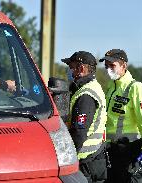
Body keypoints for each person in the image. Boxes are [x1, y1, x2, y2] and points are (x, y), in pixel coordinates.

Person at [99, 49, 142, 183]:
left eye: (112, 66)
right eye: (106, 66)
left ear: (123, 66)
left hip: (130, 152)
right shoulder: (110, 87)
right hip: (111, 151)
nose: (108, 69)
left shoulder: (136, 88)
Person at [62, 51, 108, 183]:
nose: (69, 71)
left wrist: (66, 157)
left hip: (86, 162)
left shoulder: (86, 95)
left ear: (81, 68)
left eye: (71, 67)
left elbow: (79, 133)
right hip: (93, 158)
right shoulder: (91, 87)